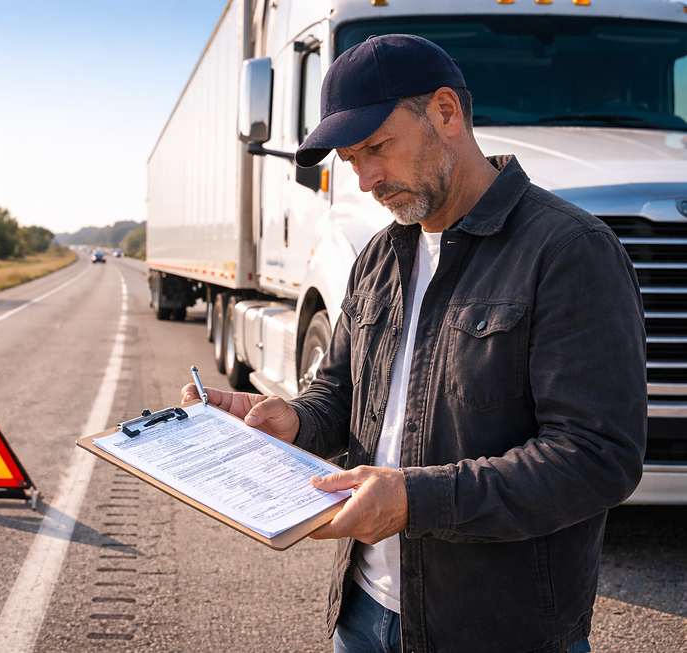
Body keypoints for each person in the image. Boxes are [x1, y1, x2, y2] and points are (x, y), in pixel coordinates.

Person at [182, 34, 645, 653]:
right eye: (350, 158)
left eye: (377, 147)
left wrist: (414, 500)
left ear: (446, 113)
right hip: (363, 615)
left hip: (497, 632)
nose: (367, 178)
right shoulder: (379, 254)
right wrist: (291, 419)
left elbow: (596, 458)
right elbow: (340, 392)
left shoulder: (566, 251)